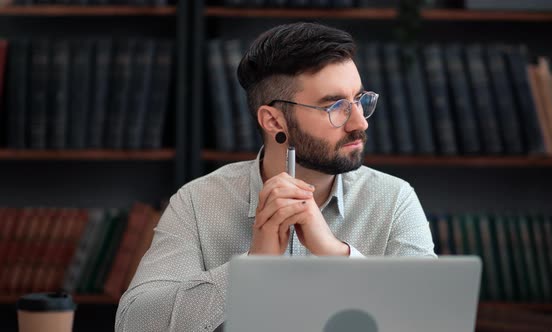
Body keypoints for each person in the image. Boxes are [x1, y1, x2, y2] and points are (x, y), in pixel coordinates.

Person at [115, 22, 436, 332]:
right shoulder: (199, 202)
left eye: (359, 100)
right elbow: (134, 325)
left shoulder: (393, 199)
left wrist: (336, 253)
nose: (359, 123)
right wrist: (253, 266)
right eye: (336, 106)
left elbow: (434, 319)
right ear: (273, 121)